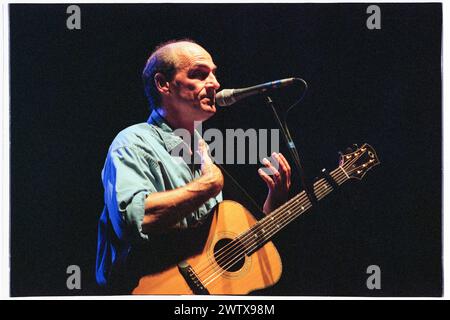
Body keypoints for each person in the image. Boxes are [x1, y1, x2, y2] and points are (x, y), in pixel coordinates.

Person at [95, 39, 292, 294]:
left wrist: (272, 209)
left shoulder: (202, 151)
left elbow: (212, 248)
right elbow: (134, 221)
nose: (215, 83)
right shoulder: (134, 141)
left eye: (213, 73)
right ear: (163, 84)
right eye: (199, 74)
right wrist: (210, 184)